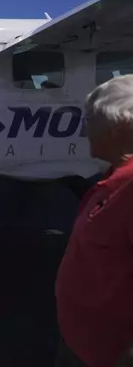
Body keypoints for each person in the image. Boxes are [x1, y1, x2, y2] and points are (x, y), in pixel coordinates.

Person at [54, 75, 133, 367]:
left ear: (119, 126)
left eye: (90, 119)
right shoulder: (114, 177)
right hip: (81, 346)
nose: (84, 128)